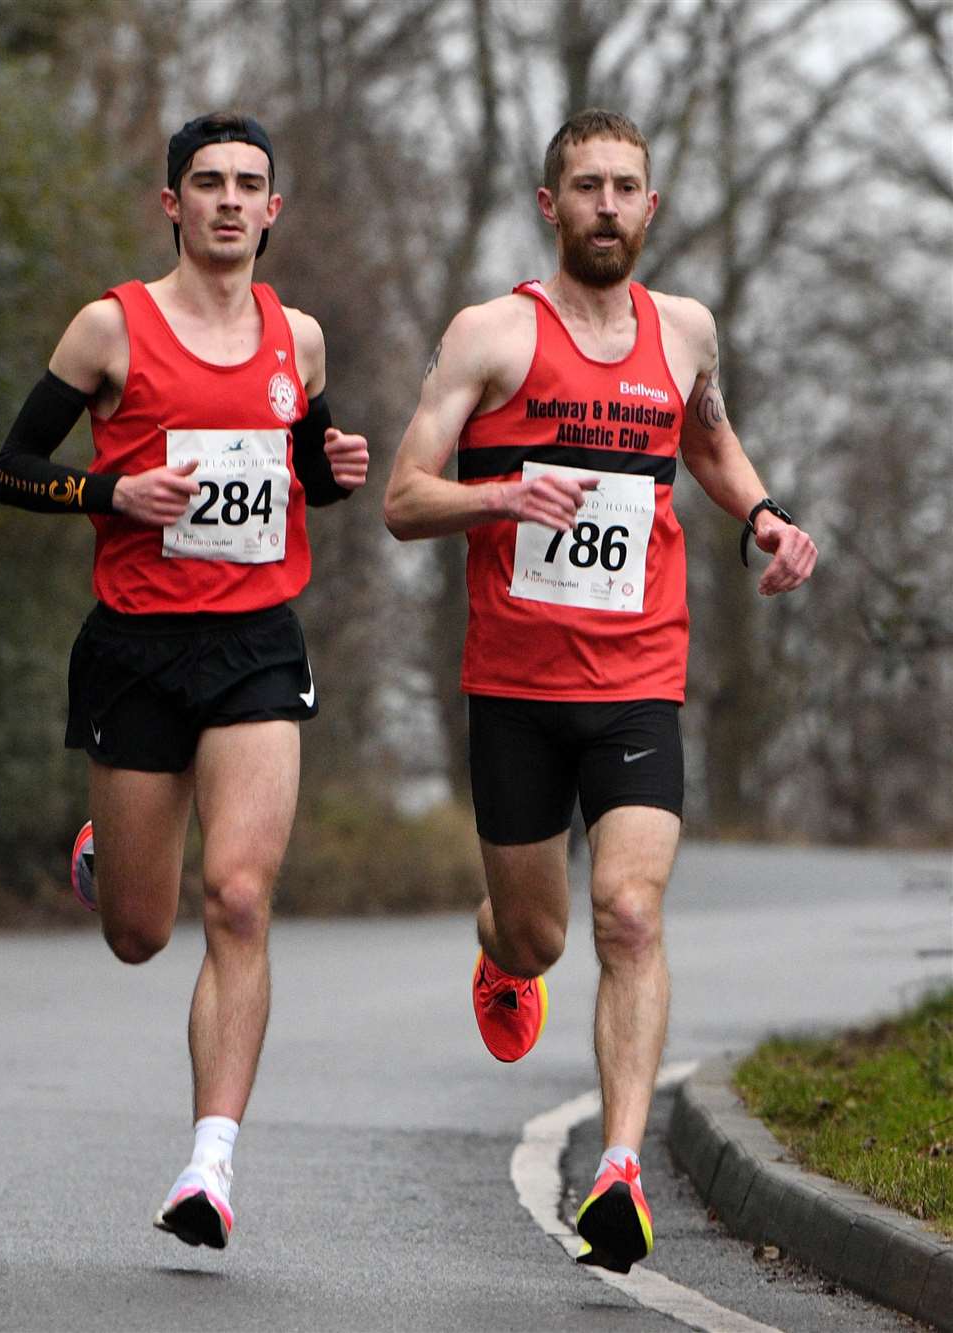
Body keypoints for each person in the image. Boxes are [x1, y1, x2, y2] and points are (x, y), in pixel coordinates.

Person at [383, 108, 816, 1274]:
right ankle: (498, 945)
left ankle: (619, 1171)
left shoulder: (684, 333)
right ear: (550, 206)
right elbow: (403, 497)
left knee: (630, 912)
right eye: (587, 187)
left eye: (628, 187)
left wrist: (764, 518)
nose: (609, 206)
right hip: (515, 687)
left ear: (652, 206)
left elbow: (710, 442)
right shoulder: (490, 336)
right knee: (540, 932)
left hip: (637, 679)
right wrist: (497, 500)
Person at [0, 112, 369, 1250]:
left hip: (257, 641)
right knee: (140, 935)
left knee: (241, 895)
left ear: (273, 209)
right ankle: (110, 854)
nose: (227, 201)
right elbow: (14, 470)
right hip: (136, 647)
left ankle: (210, 1163)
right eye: (206, 183)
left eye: (249, 185)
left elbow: (304, 473)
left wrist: (337, 472)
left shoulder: (296, 338)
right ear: (172, 203)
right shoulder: (112, 327)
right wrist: (110, 496)